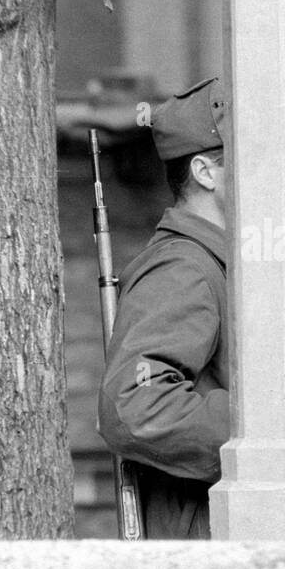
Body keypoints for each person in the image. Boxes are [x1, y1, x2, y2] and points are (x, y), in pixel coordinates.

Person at [98, 77, 230, 540]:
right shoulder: (184, 269)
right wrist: (260, 431)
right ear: (205, 172)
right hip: (204, 542)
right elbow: (134, 405)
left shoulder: (218, 261)